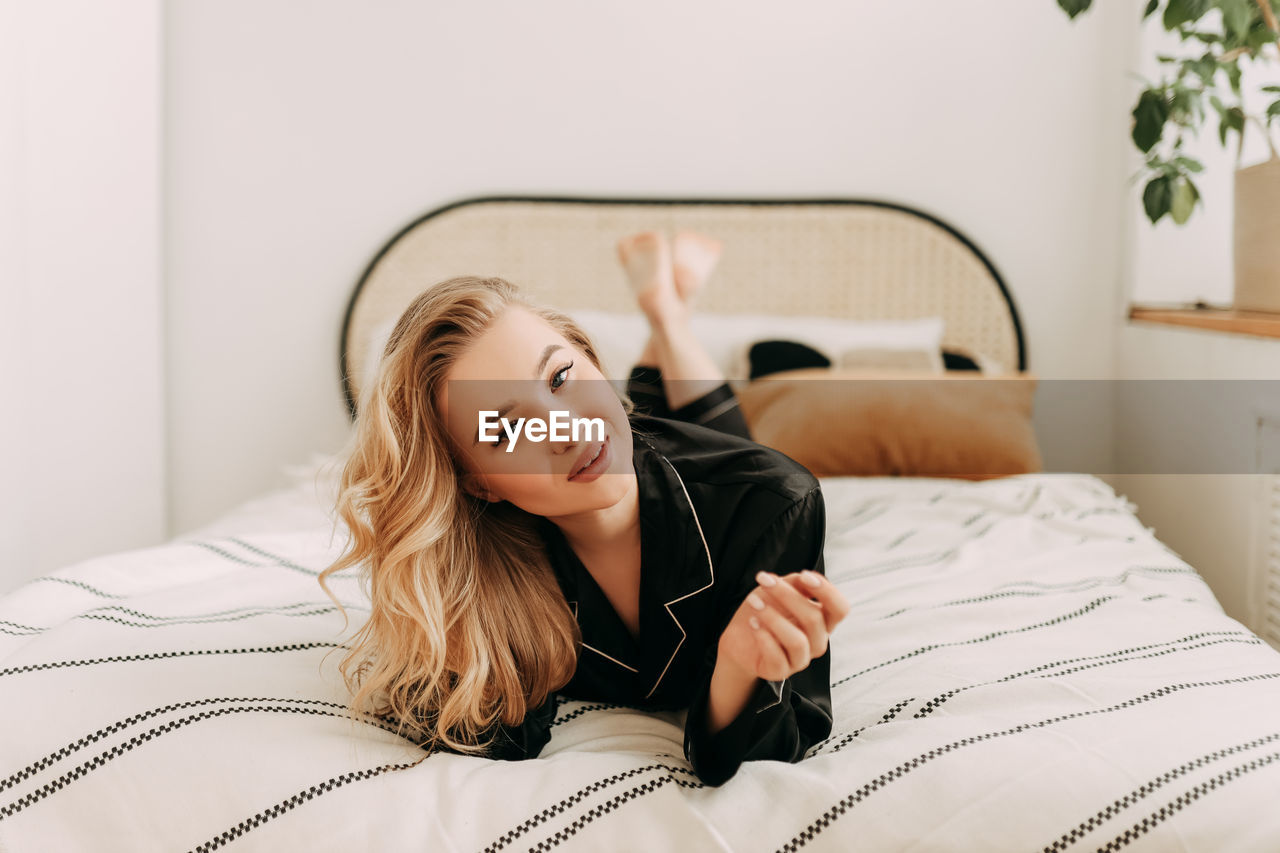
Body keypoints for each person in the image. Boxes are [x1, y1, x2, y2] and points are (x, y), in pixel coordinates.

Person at [318, 230, 850, 787]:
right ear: (478, 485)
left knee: (720, 442)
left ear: (591, 360)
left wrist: (739, 670)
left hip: (704, 468)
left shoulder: (773, 503)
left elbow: (777, 742)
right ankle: (664, 320)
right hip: (630, 450)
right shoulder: (486, 560)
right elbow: (491, 736)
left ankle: (668, 316)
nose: (567, 430)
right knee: (640, 426)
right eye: (509, 429)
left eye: (561, 377)